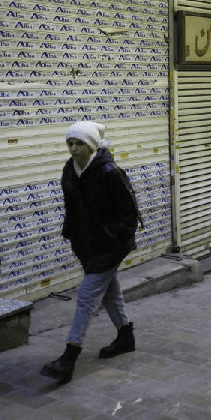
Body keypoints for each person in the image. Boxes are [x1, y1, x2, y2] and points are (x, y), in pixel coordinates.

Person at [40, 121, 140, 383]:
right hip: (86, 245)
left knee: (86, 294)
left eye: (79, 144)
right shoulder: (70, 170)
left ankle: (69, 357)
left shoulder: (109, 170)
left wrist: (111, 237)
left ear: (91, 145)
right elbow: (71, 207)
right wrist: (72, 234)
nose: (73, 149)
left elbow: (130, 214)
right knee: (109, 291)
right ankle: (125, 337)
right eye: (69, 143)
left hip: (110, 246)